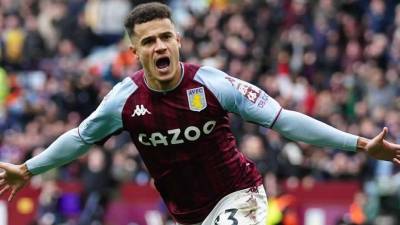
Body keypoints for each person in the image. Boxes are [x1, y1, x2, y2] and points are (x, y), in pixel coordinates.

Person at [0, 2, 399, 225]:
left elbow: (285, 119)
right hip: (189, 217)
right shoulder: (123, 101)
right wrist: (30, 169)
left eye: (164, 38)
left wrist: (360, 144)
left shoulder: (214, 84)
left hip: (240, 198)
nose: (159, 47)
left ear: (178, 40)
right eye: (148, 42)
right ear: (135, 52)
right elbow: (80, 138)